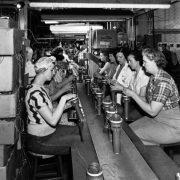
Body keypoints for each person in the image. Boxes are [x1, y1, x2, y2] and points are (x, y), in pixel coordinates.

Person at [123, 48, 180, 145]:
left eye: (145, 61)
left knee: (129, 137)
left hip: (171, 127)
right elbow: (146, 99)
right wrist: (133, 93)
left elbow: (152, 111)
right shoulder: (154, 77)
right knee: (126, 131)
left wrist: (133, 95)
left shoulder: (163, 81)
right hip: (156, 119)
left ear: (154, 61)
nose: (143, 64)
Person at [25, 56, 80, 155]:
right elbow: (53, 121)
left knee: (79, 131)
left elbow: (49, 109)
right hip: (38, 141)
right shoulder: (35, 94)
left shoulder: (40, 88)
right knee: (80, 143)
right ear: (43, 70)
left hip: (49, 132)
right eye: (51, 70)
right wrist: (64, 99)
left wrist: (66, 105)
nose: (53, 72)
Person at [115, 50, 150, 121]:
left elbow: (143, 98)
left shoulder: (144, 76)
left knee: (124, 119)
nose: (128, 63)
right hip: (132, 104)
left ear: (138, 61)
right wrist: (119, 86)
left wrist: (122, 88)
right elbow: (129, 89)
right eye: (128, 61)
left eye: (130, 61)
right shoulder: (134, 73)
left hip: (141, 108)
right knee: (118, 113)